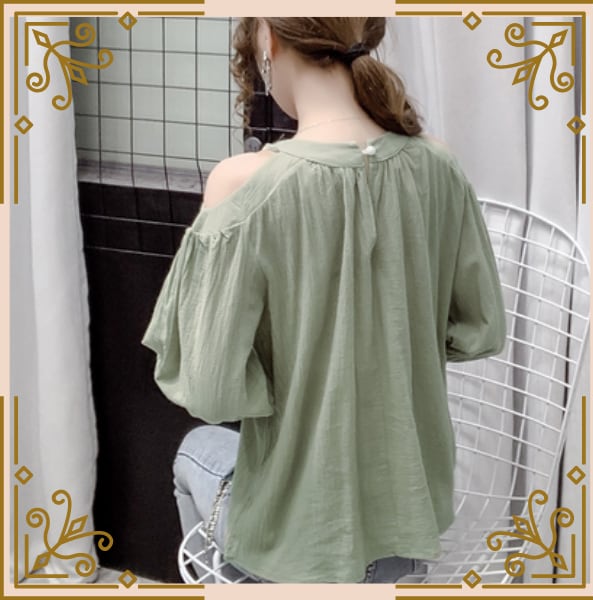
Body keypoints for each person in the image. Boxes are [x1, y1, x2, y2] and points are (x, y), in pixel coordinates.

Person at [141, 17, 506, 584]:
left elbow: (210, 389)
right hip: (408, 533)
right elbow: (480, 329)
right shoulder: (438, 165)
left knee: (196, 449)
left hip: (291, 544)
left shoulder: (245, 184)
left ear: (268, 38)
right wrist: (392, 341)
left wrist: (289, 375)